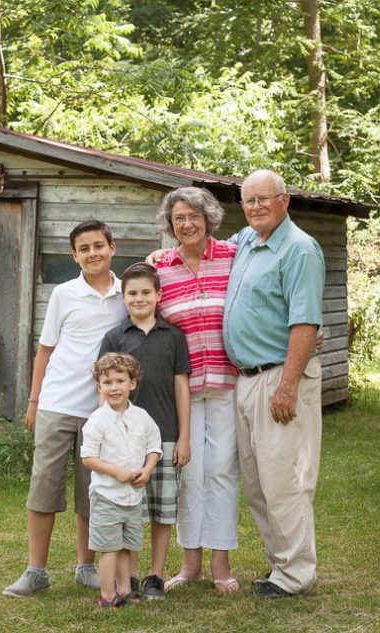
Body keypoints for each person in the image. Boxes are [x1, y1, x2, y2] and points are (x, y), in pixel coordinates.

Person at [3, 220, 127, 598]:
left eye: (98, 246)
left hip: (102, 411)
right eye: (84, 248)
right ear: (75, 256)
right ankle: (35, 570)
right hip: (57, 404)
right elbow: (46, 350)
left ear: (112, 248)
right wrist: (34, 401)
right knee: (44, 486)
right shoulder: (64, 294)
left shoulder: (127, 293)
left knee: (91, 489)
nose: (92, 253)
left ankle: (86, 565)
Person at [223, 169, 325, 598]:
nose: (256, 207)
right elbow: (204, 251)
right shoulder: (247, 240)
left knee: (285, 480)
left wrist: (287, 385)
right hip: (245, 380)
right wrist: (163, 258)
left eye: (264, 199)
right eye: (249, 201)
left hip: (280, 377)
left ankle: (295, 574)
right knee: (259, 483)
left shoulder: (299, 250)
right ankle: (279, 567)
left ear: (285, 201)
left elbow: (305, 323)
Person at [152, 187, 242, 594]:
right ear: (170, 227)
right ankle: (191, 565)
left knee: (221, 471)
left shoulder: (232, 257)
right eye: (178, 219)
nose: (186, 224)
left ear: (208, 218)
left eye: (193, 216)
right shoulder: (160, 268)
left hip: (226, 382)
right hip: (182, 389)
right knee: (188, 473)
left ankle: (221, 564)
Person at [98, 263, 191, 599]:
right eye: (132, 293)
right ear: (123, 298)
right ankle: (131, 574)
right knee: (131, 509)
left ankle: (156, 575)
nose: (139, 299)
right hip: (125, 441)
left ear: (158, 295)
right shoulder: (115, 338)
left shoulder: (174, 337)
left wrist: (184, 437)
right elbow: (104, 389)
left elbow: (182, 387)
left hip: (165, 435)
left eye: (145, 292)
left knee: (162, 511)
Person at [80, 352, 162, 608]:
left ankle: (126, 590)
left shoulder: (142, 417)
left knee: (127, 546)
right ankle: (107, 595)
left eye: (120, 381)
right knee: (110, 548)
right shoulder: (97, 421)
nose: (114, 388)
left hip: (132, 497)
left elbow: (154, 446)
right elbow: (88, 457)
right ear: (99, 387)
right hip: (107, 495)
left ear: (132, 383)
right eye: (107, 383)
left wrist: (147, 470)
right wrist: (116, 472)